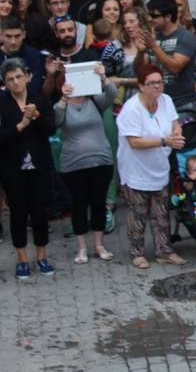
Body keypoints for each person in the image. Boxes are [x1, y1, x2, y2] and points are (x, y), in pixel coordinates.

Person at [116, 63, 187, 269]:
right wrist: (165, 141)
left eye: (159, 82)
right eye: (152, 83)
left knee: (161, 211)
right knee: (138, 211)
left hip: (158, 163)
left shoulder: (166, 100)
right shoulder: (131, 109)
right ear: (141, 86)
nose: (157, 86)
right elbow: (134, 142)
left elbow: (175, 122)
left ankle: (164, 250)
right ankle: (136, 252)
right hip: (136, 167)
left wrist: (176, 133)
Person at [54, 60, 116, 263]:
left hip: (101, 161)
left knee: (99, 204)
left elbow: (112, 94)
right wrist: (64, 97)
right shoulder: (61, 105)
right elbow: (55, 121)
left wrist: (103, 77)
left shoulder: (95, 101)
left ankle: (99, 245)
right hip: (73, 165)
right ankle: (81, 248)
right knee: (78, 205)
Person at [0, 58, 57, 279]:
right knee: (18, 214)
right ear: (5, 83)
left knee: (40, 213)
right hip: (13, 169)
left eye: (19, 77)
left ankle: (42, 256)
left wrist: (37, 116)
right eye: (10, 79)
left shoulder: (39, 100)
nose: (16, 82)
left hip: (39, 166)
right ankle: (22, 258)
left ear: (27, 76)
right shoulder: (2, 104)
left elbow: (51, 128)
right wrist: (20, 126)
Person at [141, 0, 196, 118]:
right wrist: (140, 51)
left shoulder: (185, 37)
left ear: (168, 16)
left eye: (154, 15)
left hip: (182, 104)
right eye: (149, 14)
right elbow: (141, 69)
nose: (149, 19)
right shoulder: (153, 36)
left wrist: (154, 47)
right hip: (157, 104)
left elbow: (175, 67)